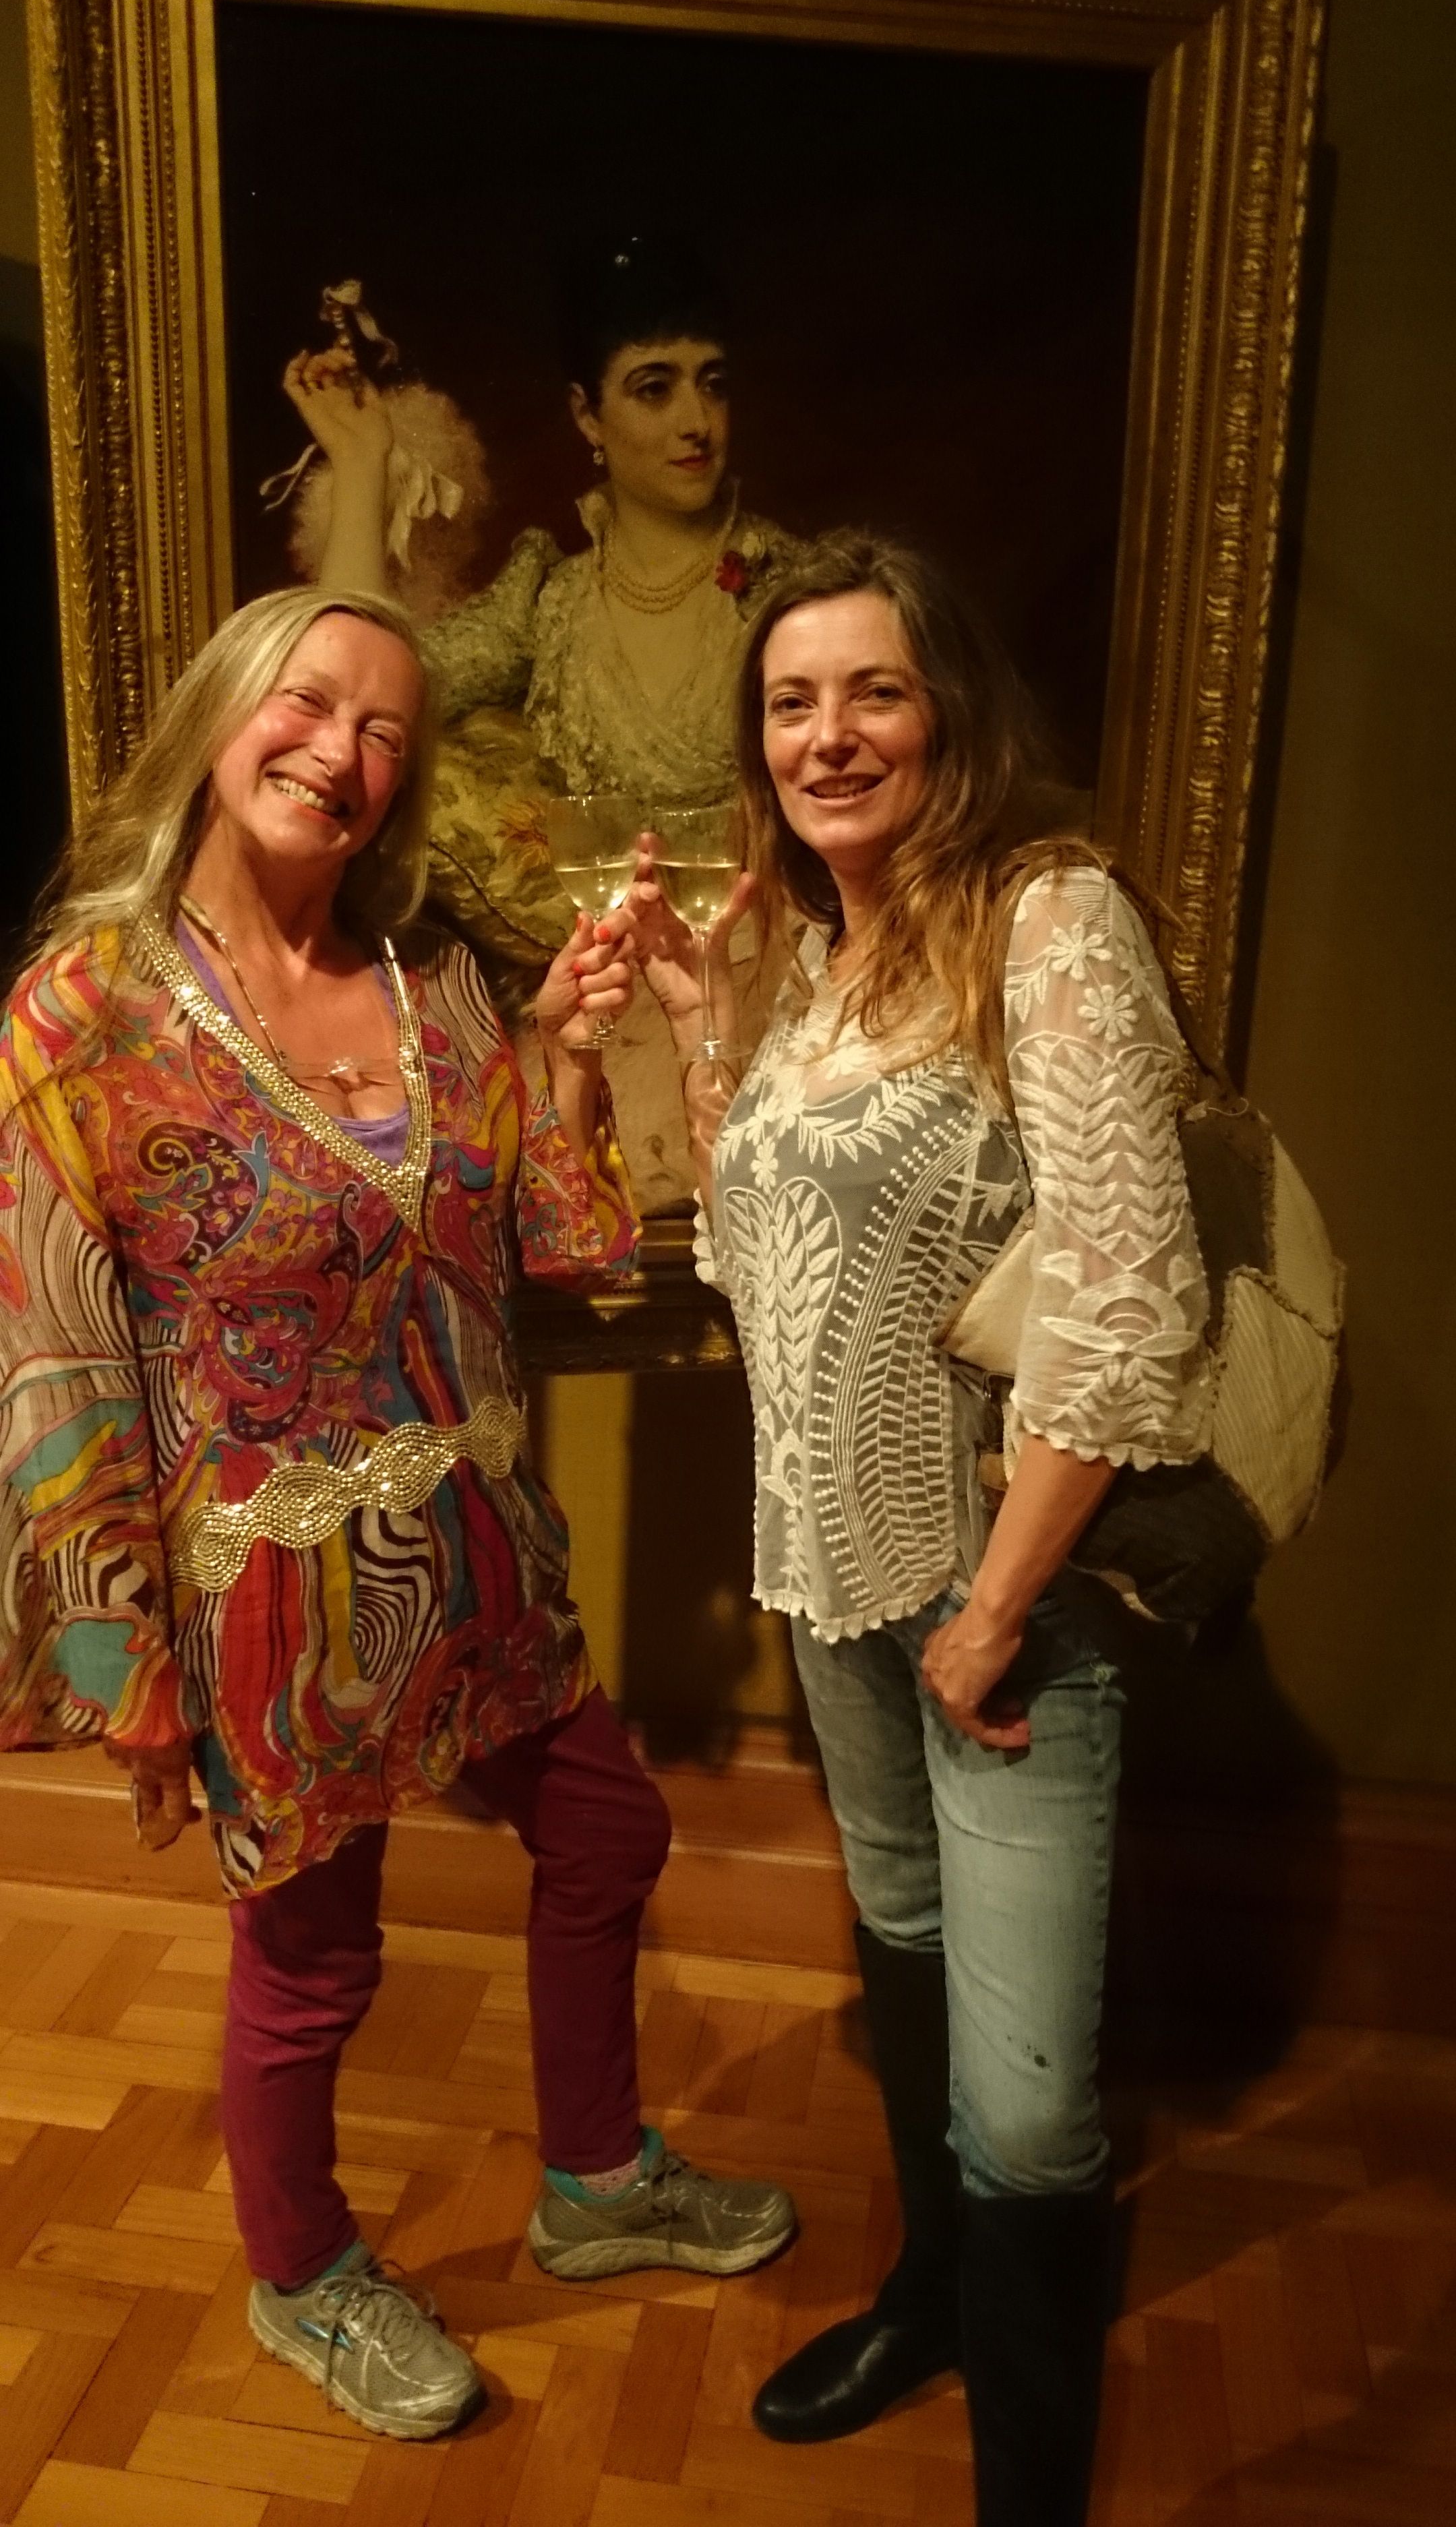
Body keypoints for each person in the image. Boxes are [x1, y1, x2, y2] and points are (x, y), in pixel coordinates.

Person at [0, 586, 793, 2443]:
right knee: (316, 1960)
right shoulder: (80, 1014)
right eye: (309, 703)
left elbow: (563, 1249)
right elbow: (52, 1357)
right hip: (274, 1599)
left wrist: (570, 1050)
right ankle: (300, 2273)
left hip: (483, 1550)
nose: (341, 752)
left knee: (608, 1834)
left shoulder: (432, 984)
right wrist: (121, 1668)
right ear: (219, 713)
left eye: (385, 733)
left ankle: (596, 2178)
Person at [638, 533, 1211, 2524]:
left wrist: (994, 1610)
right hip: (837, 1577)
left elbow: (1130, 1302)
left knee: (1033, 2104)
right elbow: (758, 1269)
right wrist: (709, 1024)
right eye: (791, 702)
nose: (829, 735)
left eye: (872, 690)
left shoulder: (1048, 922)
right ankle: (936, 2298)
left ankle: (1028, 2482)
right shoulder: (825, 960)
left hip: (1002, 1600)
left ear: (949, 707)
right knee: (902, 1938)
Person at [282, 235, 797, 1209]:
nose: (695, 421)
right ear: (586, 416)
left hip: (761, 985)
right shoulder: (550, 600)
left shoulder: (790, 592)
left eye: (713, 383)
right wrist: (364, 460)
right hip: (608, 994)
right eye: (654, 388)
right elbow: (359, 675)